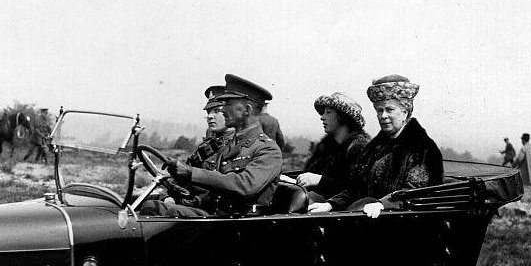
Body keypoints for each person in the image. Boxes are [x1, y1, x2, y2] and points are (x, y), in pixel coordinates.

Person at [143, 74, 282, 218]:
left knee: (173, 214)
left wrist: (191, 173)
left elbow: (244, 186)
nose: (222, 110)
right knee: (151, 208)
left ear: (246, 110)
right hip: (219, 217)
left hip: (241, 224)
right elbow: (216, 191)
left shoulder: (268, 150)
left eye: (228, 104)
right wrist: (192, 199)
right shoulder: (229, 145)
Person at [308, 74, 443, 219]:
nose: (383, 115)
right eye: (379, 110)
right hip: (372, 219)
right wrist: (331, 204)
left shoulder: (422, 149)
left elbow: (416, 191)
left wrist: (382, 204)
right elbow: (356, 187)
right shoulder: (374, 148)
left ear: (405, 112)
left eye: (389, 109)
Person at [294, 92, 370, 202]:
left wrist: (320, 180)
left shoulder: (359, 148)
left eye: (328, 112)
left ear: (342, 117)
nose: (322, 117)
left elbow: (356, 188)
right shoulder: (326, 148)